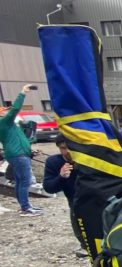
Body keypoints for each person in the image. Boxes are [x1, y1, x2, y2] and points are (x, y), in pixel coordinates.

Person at [0, 85, 41, 216]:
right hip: (18, 155)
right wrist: (23, 92)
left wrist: (30, 150)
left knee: (19, 181)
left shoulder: (10, 125)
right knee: (25, 181)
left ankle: (24, 206)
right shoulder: (4, 122)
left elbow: (20, 140)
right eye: (5, 110)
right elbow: (16, 108)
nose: (7, 111)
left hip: (18, 154)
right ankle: (25, 207)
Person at [43, 134, 84, 254]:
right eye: (63, 148)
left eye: (71, 147)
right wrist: (61, 177)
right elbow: (49, 188)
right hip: (75, 202)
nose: (68, 152)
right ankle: (84, 245)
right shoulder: (54, 162)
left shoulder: (89, 160)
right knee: (79, 230)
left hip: (95, 199)